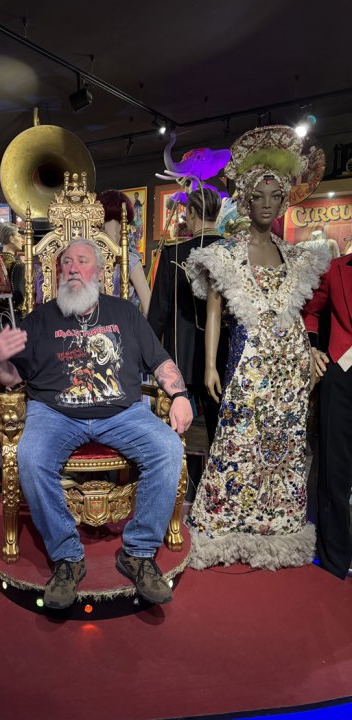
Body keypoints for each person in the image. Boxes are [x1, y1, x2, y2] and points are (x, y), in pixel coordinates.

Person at [0, 238, 192, 609]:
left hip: (122, 413)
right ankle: (67, 557)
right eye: (66, 262)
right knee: (29, 456)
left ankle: (138, 553)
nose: (72, 268)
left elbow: (160, 361)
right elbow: (13, 379)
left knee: (167, 448)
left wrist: (179, 395)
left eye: (82, 261)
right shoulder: (41, 319)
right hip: (55, 413)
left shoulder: (125, 313)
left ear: (99, 271)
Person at [185, 125, 331, 571]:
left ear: (283, 201)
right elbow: (214, 310)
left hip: (289, 369)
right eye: (258, 197)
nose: (266, 205)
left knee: (284, 444)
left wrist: (309, 351)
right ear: (245, 201)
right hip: (246, 363)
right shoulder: (226, 254)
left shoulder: (295, 257)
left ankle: (278, 527)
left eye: (274, 197)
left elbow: (297, 314)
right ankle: (223, 525)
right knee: (237, 441)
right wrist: (210, 365)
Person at [148, 187, 227, 446]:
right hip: (224, 354)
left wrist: (147, 356)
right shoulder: (232, 252)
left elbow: (158, 313)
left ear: (191, 212)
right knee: (221, 432)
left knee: (178, 432)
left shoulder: (173, 253)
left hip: (181, 356)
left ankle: (185, 472)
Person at [302, 254, 352, 580]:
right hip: (342, 374)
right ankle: (334, 559)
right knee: (334, 469)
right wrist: (313, 348)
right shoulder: (336, 269)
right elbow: (310, 312)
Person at [97, 190, 152, 316]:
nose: (120, 230)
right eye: (114, 222)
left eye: (123, 223)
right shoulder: (88, 259)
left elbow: (149, 307)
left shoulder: (131, 261)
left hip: (123, 325)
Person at [0, 221, 25, 320]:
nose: (22, 239)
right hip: (13, 317)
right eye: (19, 236)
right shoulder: (18, 266)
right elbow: (20, 296)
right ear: (11, 238)